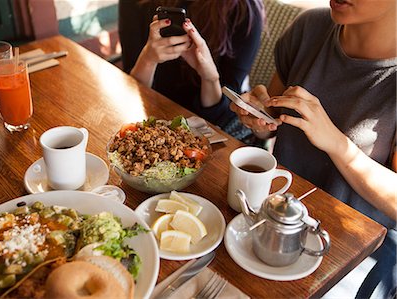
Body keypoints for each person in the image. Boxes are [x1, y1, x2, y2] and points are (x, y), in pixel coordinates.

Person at [230, 0, 396, 297]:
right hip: (276, 219)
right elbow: (273, 115)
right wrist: (258, 117)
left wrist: (337, 144)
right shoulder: (309, 29)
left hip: (354, 252)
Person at [118, 0, 265, 144]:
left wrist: (210, 78)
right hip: (147, 118)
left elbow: (223, 113)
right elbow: (131, 93)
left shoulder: (244, 9)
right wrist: (148, 59)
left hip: (207, 131)